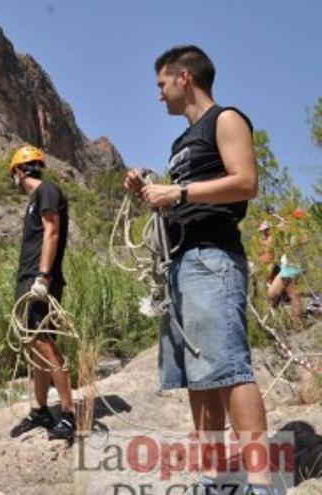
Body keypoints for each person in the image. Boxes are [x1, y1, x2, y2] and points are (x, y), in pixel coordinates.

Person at [124, 45, 277, 495]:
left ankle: (262, 484)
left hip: (212, 259)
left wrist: (179, 193)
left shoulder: (225, 119)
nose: (159, 95)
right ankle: (212, 478)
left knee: (229, 370)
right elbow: (184, 197)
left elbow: (245, 182)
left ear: (184, 77)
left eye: (161, 84)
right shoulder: (180, 144)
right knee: (198, 378)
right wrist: (149, 192)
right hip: (180, 263)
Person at [6, 144, 75, 441]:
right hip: (30, 279)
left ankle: (69, 414)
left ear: (19, 172)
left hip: (39, 279)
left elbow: (52, 231)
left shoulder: (46, 191)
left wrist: (43, 277)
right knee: (35, 345)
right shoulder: (36, 198)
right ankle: (40, 409)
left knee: (44, 344)